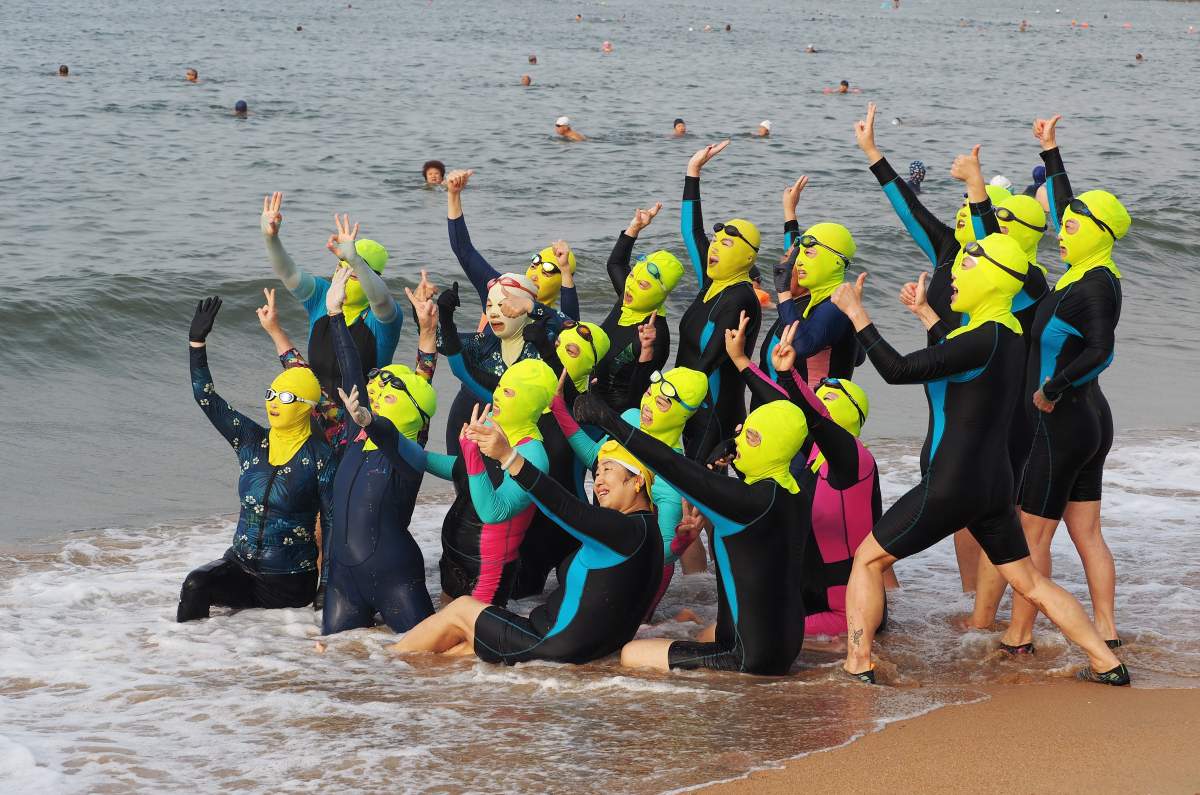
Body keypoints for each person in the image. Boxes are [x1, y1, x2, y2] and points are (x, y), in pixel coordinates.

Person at [829, 233, 1128, 686]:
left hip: (954, 482)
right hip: (994, 484)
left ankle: (858, 663)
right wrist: (927, 315)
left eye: (966, 268)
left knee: (868, 560)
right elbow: (956, 354)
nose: (953, 277)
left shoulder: (981, 338)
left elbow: (898, 370)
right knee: (1027, 580)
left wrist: (856, 314)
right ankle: (1106, 662)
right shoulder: (1006, 332)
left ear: (993, 279)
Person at [854, 105, 1015, 590]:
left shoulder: (996, 268)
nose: (964, 217)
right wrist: (873, 154)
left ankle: (979, 611)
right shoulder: (950, 252)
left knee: (967, 502)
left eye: (972, 211)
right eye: (964, 209)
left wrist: (977, 184)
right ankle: (968, 604)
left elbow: (987, 237)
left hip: (967, 396)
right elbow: (910, 211)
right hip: (940, 393)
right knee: (955, 498)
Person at [997, 115, 1130, 655]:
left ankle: (1018, 635)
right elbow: (1070, 206)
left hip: (1064, 422)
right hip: (1089, 421)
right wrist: (1051, 152)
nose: (1061, 228)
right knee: (1086, 532)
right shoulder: (1089, 271)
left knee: (1033, 535)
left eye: (1074, 226)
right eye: (1064, 223)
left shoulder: (1093, 287)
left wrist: (1051, 388)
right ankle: (1106, 626)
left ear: (1099, 233)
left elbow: (1102, 350)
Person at [574, 391, 812, 675]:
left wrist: (609, 421)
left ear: (773, 449)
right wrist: (725, 456)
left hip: (748, 657)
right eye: (742, 432)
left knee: (630, 654)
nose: (738, 444)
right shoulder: (794, 494)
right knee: (704, 634)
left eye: (750, 439)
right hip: (787, 642)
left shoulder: (747, 503)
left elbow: (672, 465)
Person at [391, 432, 662, 665]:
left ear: (637, 481)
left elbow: (563, 507)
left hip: (551, 646)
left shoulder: (623, 530)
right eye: (598, 471)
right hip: (585, 651)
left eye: (609, 470)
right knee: (456, 650)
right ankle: (406, 675)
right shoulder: (650, 532)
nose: (599, 480)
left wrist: (509, 457)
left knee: (462, 609)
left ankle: (385, 663)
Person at [177, 297, 339, 622]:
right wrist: (197, 343)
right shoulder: (251, 440)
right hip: (239, 566)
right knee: (196, 584)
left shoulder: (321, 459)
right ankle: (185, 660)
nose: (275, 403)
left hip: (289, 583)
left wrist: (328, 588)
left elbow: (333, 526)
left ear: (308, 407)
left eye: (287, 398)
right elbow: (206, 397)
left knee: (265, 638)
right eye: (272, 395)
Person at [318, 268, 439, 635]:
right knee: (338, 668)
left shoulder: (409, 452)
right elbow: (351, 366)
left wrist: (430, 334)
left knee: (432, 663)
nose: (376, 390)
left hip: (394, 578)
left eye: (389, 392)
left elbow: (389, 426)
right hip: (343, 580)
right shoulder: (358, 427)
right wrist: (335, 313)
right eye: (377, 387)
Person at [393, 361, 556, 606]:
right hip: (453, 555)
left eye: (509, 392)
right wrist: (407, 449)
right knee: (432, 641)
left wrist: (471, 454)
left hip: (486, 570)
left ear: (533, 402)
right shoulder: (489, 423)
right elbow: (460, 469)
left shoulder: (533, 456)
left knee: (469, 642)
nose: (498, 395)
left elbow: (493, 511)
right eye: (500, 386)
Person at [551, 366, 708, 617]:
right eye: (649, 393)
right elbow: (596, 457)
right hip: (614, 547)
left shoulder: (673, 473)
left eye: (662, 403)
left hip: (648, 571)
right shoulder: (632, 417)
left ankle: (683, 623)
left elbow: (663, 554)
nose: (649, 405)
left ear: (682, 415)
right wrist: (559, 408)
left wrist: (680, 544)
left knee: (636, 626)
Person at [260, 196, 402, 408]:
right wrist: (271, 238)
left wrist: (356, 261)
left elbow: (380, 300)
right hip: (317, 414)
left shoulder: (383, 320)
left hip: (362, 421)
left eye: (354, 274)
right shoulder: (322, 297)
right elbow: (287, 272)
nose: (344, 277)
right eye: (340, 266)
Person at [676, 141, 763, 462]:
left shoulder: (741, 297)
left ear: (746, 256)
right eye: (715, 241)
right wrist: (693, 172)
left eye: (725, 243)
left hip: (713, 411)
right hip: (688, 403)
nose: (714, 248)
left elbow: (710, 359)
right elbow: (691, 232)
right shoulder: (712, 283)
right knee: (691, 497)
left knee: (704, 495)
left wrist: (672, 398)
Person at [756, 176, 861, 399]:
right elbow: (794, 256)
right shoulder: (812, 298)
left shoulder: (836, 304)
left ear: (834, 261)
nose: (797, 262)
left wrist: (783, 292)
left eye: (809, 254)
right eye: (798, 256)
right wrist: (789, 212)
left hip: (818, 419)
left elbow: (802, 345)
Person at [444, 168, 579, 318]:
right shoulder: (500, 289)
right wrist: (453, 195)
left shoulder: (555, 321)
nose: (534, 276)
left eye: (546, 272)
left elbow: (572, 324)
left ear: (561, 282)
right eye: (534, 265)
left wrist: (565, 269)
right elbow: (464, 250)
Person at [591, 203, 684, 411]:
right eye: (633, 275)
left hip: (613, 414)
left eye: (642, 284)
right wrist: (635, 228)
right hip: (589, 395)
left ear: (661, 292)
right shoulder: (629, 299)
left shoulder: (655, 335)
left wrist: (647, 350)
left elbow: (639, 395)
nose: (631, 286)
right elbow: (615, 264)